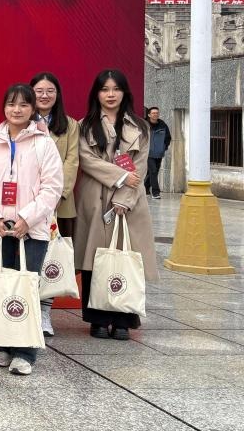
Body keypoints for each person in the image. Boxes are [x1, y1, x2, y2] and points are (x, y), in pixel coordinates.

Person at [0, 84, 63, 376]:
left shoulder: (44, 144)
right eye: (11, 104)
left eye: (24, 105)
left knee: (26, 287)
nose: (17, 110)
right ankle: (2, 346)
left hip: (32, 230)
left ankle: (25, 352)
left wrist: (27, 218)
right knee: (2, 285)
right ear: (4, 108)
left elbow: (52, 187)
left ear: (33, 109)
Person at [75, 69, 158, 340]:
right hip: (94, 200)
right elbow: (87, 160)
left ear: (124, 92)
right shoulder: (85, 125)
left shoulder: (141, 127)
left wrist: (123, 198)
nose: (110, 94)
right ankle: (97, 319)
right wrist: (121, 175)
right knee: (96, 258)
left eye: (116, 89)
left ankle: (124, 319)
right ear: (96, 94)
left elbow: (141, 167)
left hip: (130, 201)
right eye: (104, 89)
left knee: (126, 259)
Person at [29, 72, 81, 338]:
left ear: (57, 94)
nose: (44, 95)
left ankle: (45, 312)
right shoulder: (21, 119)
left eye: (50, 90)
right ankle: (27, 311)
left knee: (52, 258)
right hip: (27, 204)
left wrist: (57, 194)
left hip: (58, 205)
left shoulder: (69, 125)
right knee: (29, 257)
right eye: (39, 90)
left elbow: (72, 161)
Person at [144, 107, 171, 199]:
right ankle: (155, 192)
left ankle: (145, 187)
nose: (155, 114)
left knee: (153, 172)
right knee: (153, 171)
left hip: (159, 153)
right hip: (148, 153)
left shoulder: (163, 125)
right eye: (153, 113)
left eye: (157, 113)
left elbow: (168, 138)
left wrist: (163, 148)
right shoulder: (144, 125)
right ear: (149, 115)